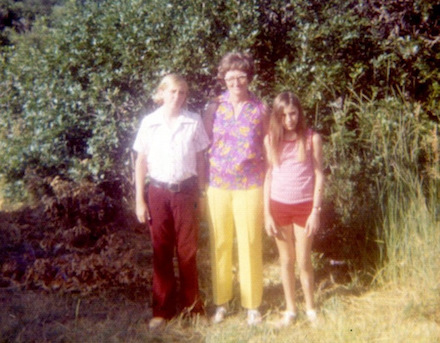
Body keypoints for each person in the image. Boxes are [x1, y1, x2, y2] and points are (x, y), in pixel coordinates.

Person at [133, 74, 210, 330]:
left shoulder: (193, 120)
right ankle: (162, 310)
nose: (178, 97)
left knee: (187, 251)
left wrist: (201, 192)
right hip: (158, 193)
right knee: (161, 251)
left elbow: (201, 159)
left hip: (187, 193)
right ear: (162, 92)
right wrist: (139, 201)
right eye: (173, 91)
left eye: (183, 93)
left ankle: (193, 308)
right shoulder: (149, 122)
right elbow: (141, 162)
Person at [203, 52, 268, 326]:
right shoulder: (212, 107)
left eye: (241, 76)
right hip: (217, 185)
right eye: (231, 77)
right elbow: (203, 145)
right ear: (223, 79)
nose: (236, 82)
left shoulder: (261, 108)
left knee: (250, 242)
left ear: (249, 78)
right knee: (219, 243)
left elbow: (268, 145)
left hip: (251, 184)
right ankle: (221, 302)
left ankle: (252, 304)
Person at [263, 91, 324, 327]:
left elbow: (319, 174)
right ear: (277, 117)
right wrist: (266, 213)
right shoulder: (271, 140)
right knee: (286, 260)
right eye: (284, 115)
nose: (289, 119)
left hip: (304, 207)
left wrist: (315, 211)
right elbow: (268, 176)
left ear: (299, 113)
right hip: (279, 207)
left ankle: (310, 309)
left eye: (293, 113)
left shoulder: (311, 138)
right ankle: (291, 309)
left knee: (303, 260)